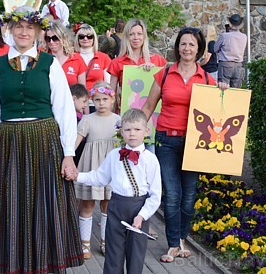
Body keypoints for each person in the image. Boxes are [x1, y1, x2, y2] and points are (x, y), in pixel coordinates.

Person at [0, 7, 83, 273]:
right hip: (7, 143)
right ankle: (11, 263)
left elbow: (65, 110)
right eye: (19, 27)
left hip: (44, 144)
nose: (24, 32)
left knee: (42, 206)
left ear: (37, 33)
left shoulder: (49, 64)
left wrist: (68, 154)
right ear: (10, 30)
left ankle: (41, 263)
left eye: (29, 28)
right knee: (0, 203)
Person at [141, 27, 227, 263]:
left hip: (195, 143)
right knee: (172, 195)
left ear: (199, 49)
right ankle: (172, 244)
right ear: (177, 47)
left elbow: (219, 110)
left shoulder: (208, 78)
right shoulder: (165, 74)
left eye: (191, 45)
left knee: (189, 197)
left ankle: (181, 239)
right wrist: (134, 131)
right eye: (183, 44)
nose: (187, 48)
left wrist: (223, 93)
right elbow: (148, 107)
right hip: (166, 139)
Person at [74, 108, 161, 274]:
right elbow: (99, 178)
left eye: (137, 129)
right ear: (121, 131)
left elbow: (155, 195)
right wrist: (77, 176)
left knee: (136, 256)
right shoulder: (114, 155)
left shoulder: (151, 160)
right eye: (127, 130)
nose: (132, 134)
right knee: (113, 254)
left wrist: (142, 215)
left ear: (146, 131)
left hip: (139, 209)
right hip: (116, 207)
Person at [74, 82, 122, 259]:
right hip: (91, 164)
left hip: (110, 166)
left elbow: (124, 142)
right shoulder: (87, 119)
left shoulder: (118, 120)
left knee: (107, 204)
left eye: (105, 99)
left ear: (112, 99)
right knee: (87, 203)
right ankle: (84, 242)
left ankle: (105, 240)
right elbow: (77, 140)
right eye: (97, 100)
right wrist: (69, 157)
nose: (101, 103)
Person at [108, 18, 167, 97]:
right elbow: (111, 95)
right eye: (131, 34)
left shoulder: (157, 60)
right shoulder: (116, 62)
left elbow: (167, 89)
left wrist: (155, 71)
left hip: (153, 108)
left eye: (139, 34)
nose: (136, 38)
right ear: (126, 37)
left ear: (144, 36)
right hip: (127, 107)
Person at [45, 22, 87, 87]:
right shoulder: (43, 59)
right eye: (48, 39)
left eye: (55, 38)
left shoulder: (77, 59)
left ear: (63, 38)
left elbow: (82, 89)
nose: (51, 42)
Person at [75, 24, 112, 97]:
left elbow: (108, 83)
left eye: (89, 36)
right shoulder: (72, 58)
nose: (85, 39)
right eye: (82, 36)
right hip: (77, 99)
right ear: (77, 39)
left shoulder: (104, 58)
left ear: (94, 39)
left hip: (97, 100)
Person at [214, 13, 247, 88]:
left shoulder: (225, 36)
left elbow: (215, 49)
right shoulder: (244, 37)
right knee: (235, 92)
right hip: (238, 65)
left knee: (223, 90)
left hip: (225, 64)